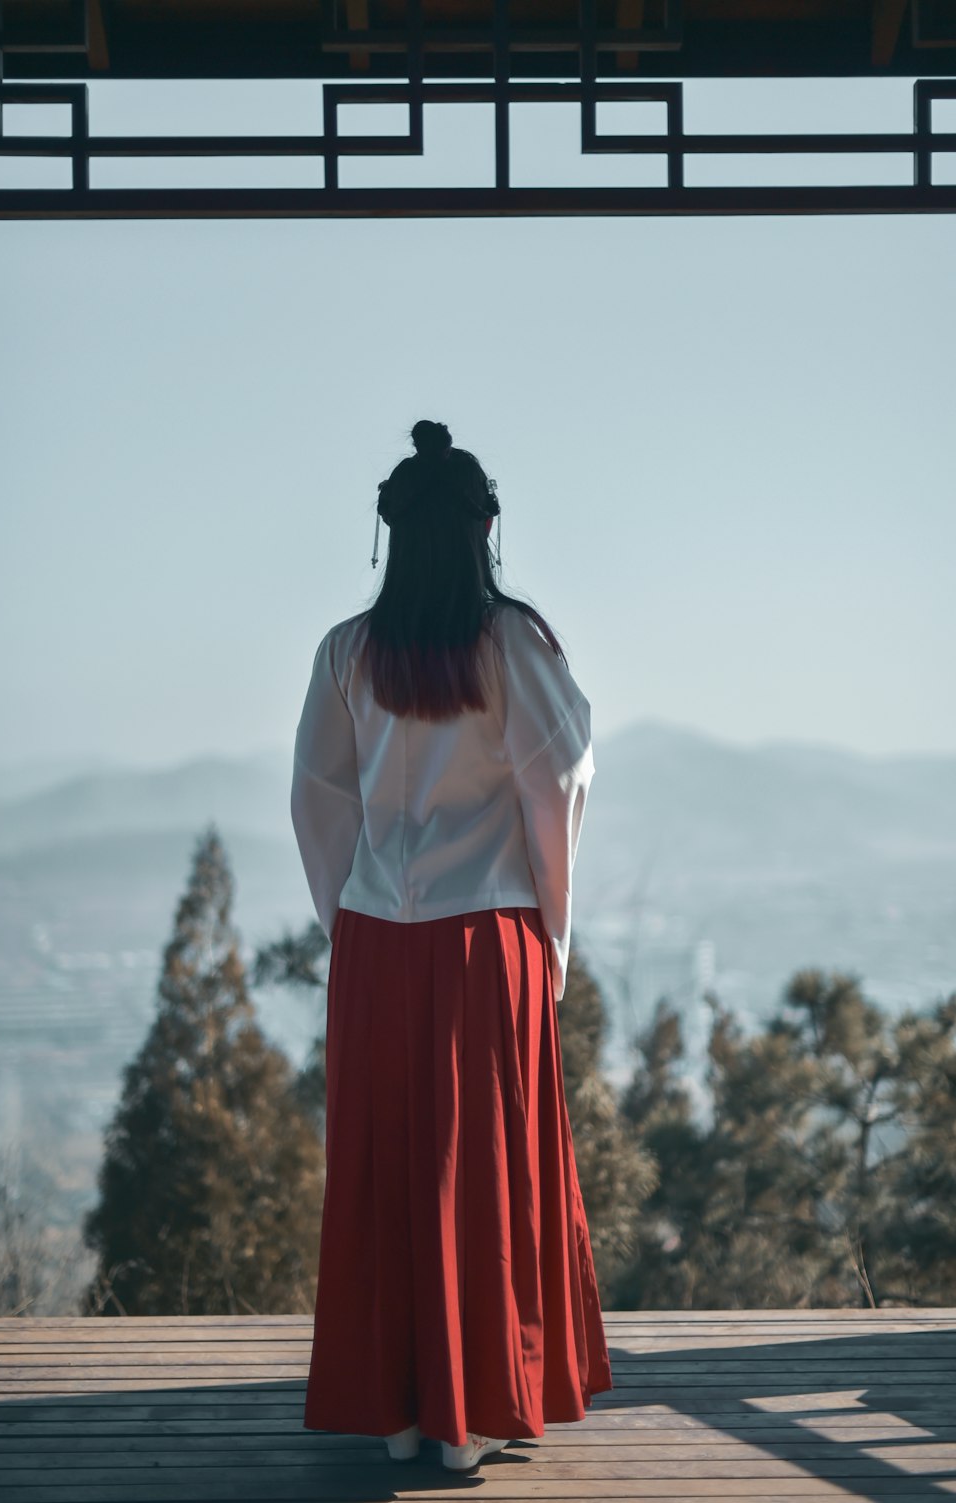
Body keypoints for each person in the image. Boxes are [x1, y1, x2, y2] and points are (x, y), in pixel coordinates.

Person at [291, 419, 613, 1475]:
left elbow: (319, 798)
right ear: (483, 529)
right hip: (489, 940)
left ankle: (391, 1411)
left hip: (379, 939)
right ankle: (466, 1414)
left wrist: (348, 917)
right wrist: (551, 933)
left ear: (389, 533)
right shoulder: (512, 641)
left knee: (385, 1164)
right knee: (477, 1168)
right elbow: (557, 782)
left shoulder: (346, 649)